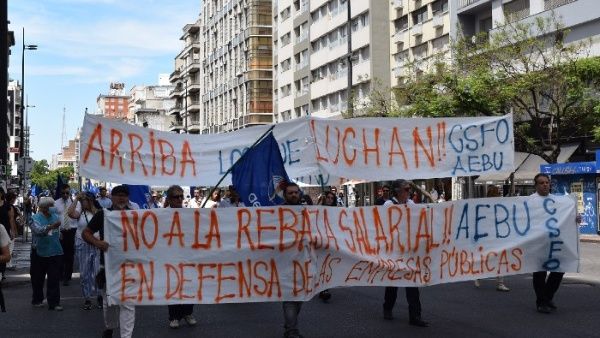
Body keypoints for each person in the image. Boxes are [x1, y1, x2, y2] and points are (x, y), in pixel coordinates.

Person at [82, 185, 136, 338]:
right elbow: (86, 233)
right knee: (110, 303)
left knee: (128, 304)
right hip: (108, 267)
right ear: (112, 197)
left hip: (130, 267)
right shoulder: (103, 215)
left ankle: (126, 336)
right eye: (118, 195)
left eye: (124, 195)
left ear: (128, 198)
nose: (121, 198)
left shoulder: (135, 216)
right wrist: (97, 243)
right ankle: (110, 327)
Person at [382, 179, 429, 327]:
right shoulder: (388, 205)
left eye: (409, 189)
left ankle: (415, 316)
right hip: (395, 251)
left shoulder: (411, 204)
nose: (410, 192)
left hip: (409, 251)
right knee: (392, 284)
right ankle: (387, 307)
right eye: (407, 189)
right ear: (398, 191)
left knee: (412, 284)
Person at [531, 173, 567, 314]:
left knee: (559, 270)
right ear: (536, 185)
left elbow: (565, 216)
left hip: (554, 243)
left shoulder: (558, 201)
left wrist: (575, 217)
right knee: (540, 272)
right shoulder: (530, 201)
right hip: (538, 243)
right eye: (541, 183)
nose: (545, 185)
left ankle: (548, 296)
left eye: (547, 182)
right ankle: (541, 302)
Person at [163, 185, 198, 329]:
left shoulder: (190, 214)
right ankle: (174, 316)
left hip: (188, 255)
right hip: (170, 256)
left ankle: (188, 313)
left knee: (189, 284)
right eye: (175, 197)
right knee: (173, 285)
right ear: (169, 199)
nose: (179, 199)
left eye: (180, 196)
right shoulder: (161, 215)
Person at [68, 192, 102, 310]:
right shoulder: (80, 213)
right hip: (82, 244)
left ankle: (99, 296)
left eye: (84, 200)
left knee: (98, 271)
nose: (83, 203)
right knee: (84, 273)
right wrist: (76, 199)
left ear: (90, 201)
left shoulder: (99, 212)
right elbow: (70, 213)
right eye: (82, 201)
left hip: (96, 244)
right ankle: (87, 298)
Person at [474, 186, 510, 292]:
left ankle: (480, 277)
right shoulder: (488, 206)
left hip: (493, 237)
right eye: (495, 193)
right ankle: (499, 282)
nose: (497, 195)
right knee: (496, 259)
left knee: (493, 258)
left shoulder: (497, 206)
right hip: (492, 237)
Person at [30, 197, 63, 310]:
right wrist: (51, 227)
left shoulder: (56, 217)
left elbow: (59, 232)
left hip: (55, 251)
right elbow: (38, 231)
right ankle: (37, 299)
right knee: (37, 278)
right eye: (50, 206)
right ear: (44, 208)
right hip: (39, 252)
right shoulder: (35, 218)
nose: (52, 208)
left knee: (54, 278)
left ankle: (54, 303)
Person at [280, 182, 304, 338]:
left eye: (296, 192)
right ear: (285, 195)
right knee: (290, 297)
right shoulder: (277, 213)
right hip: (285, 262)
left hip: (303, 262)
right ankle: (291, 331)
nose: (294, 195)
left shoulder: (307, 211)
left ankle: (290, 324)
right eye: (290, 193)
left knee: (300, 297)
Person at [54, 184, 80, 286]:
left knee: (69, 255)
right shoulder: (56, 203)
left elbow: (77, 216)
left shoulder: (75, 203)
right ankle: (60, 274)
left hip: (71, 231)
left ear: (70, 193)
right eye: (63, 193)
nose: (65, 195)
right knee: (60, 254)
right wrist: (58, 230)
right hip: (61, 231)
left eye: (67, 193)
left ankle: (67, 276)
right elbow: (55, 218)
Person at [316, 191, 337, 303]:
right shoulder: (319, 210)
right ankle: (322, 289)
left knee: (328, 265)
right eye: (328, 197)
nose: (329, 199)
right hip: (320, 242)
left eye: (331, 198)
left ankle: (324, 289)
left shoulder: (336, 212)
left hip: (330, 242)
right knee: (321, 265)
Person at [0, 191, 18, 272]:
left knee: (6, 250)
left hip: (5, 230)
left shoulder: (8, 206)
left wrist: (13, 231)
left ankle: (3, 270)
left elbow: (11, 219)